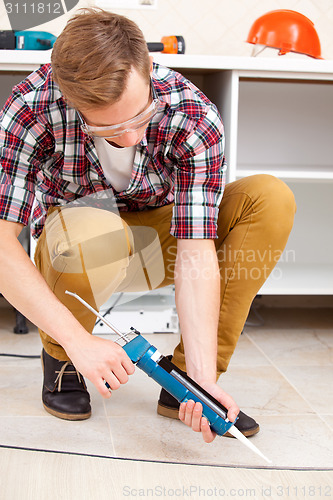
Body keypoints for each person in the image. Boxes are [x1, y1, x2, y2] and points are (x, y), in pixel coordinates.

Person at [0, 8, 295, 443]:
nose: (134, 135)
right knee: (90, 228)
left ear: (147, 69)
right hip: (82, 246)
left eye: (141, 115)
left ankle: (186, 387)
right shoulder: (29, 110)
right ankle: (64, 360)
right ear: (68, 96)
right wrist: (78, 342)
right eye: (112, 127)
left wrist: (199, 376)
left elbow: (196, 251)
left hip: (163, 244)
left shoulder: (191, 112)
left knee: (269, 198)